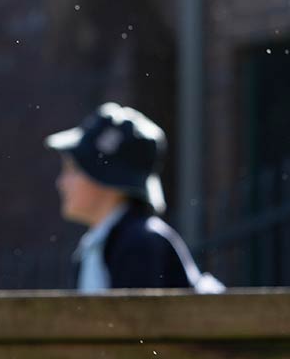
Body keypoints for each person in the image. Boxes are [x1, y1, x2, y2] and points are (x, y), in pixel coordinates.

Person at [49, 102, 221, 292]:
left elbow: (138, 321)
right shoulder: (97, 246)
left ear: (105, 176)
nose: (61, 183)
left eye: (72, 170)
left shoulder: (139, 244)